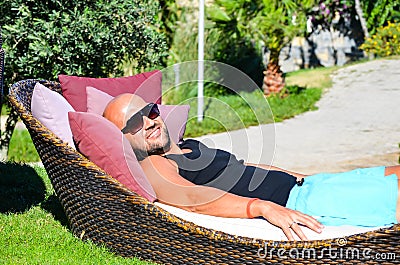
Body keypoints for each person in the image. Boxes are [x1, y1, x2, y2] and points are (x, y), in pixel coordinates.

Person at [103, 93, 400, 241]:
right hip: (300, 202)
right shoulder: (155, 163)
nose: (148, 122)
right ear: (122, 138)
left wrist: (301, 176)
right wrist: (262, 207)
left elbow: (243, 167)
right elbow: (192, 200)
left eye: (149, 111)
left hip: (308, 187)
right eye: (133, 122)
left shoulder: (190, 145)